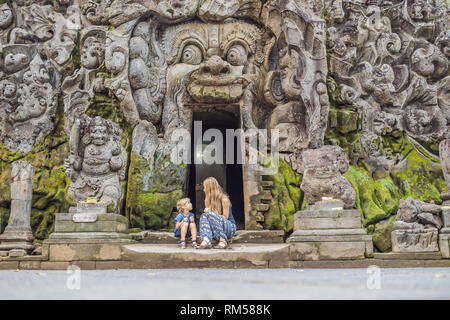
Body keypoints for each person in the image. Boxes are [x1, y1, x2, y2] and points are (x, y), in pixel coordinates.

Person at [198, 177, 237, 249]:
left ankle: (222, 241)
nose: (203, 189)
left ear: (209, 188)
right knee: (204, 215)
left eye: (205, 187)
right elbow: (209, 218)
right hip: (216, 228)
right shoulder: (207, 200)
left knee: (209, 214)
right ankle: (206, 240)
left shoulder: (224, 199)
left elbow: (225, 217)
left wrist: (212, 213)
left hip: (229, 227)